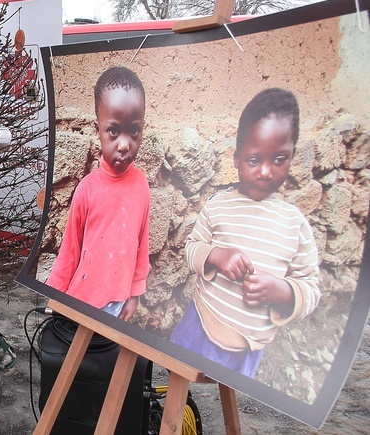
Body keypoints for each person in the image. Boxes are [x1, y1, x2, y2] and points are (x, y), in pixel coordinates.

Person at [169, 88, 321, 378]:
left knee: (229, 396)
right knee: (179, 379)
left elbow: (310, 287)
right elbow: (192, 248)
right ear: (237, 159)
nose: (265, 171)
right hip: (202, 323)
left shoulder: (294, 223)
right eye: (254, 160)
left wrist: (284, 291)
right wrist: (215, 256)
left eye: (279, 159)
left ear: (292, 156)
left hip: (249, 348)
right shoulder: (219, 205)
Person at [45, 66, 150, 322]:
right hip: (81, 306)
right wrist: (55, 298)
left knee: (107, 360)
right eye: (113, 131)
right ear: (98, 129)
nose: (124, 144)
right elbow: (69, 251)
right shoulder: (87, 189)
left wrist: (134, 294)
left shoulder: (141, 185)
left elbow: (141, 244)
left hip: (118, 306)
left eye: (133, 131)